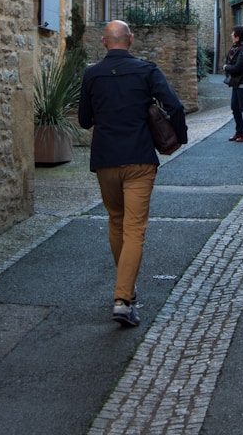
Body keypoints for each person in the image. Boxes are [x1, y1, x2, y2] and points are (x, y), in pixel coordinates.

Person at [78, 19, 188, 328]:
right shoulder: (147, 70)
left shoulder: (92, 74)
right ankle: (123, 300)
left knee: (116, 220)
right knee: (135, 228)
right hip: (139, 159)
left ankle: (126, 288)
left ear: (104, 42)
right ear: (132, 40)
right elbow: (175, 106)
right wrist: (177, 138)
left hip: (105, 160)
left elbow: (85, 120)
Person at [223, 25, 243, 142]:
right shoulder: (237, 47)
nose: (231, 35)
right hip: (237, 82)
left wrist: (226, 67)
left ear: (238, 37)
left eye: (233, 33)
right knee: (235, 107)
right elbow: (230, 60)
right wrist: (228, 65)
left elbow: (238, 67)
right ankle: (239, 132)